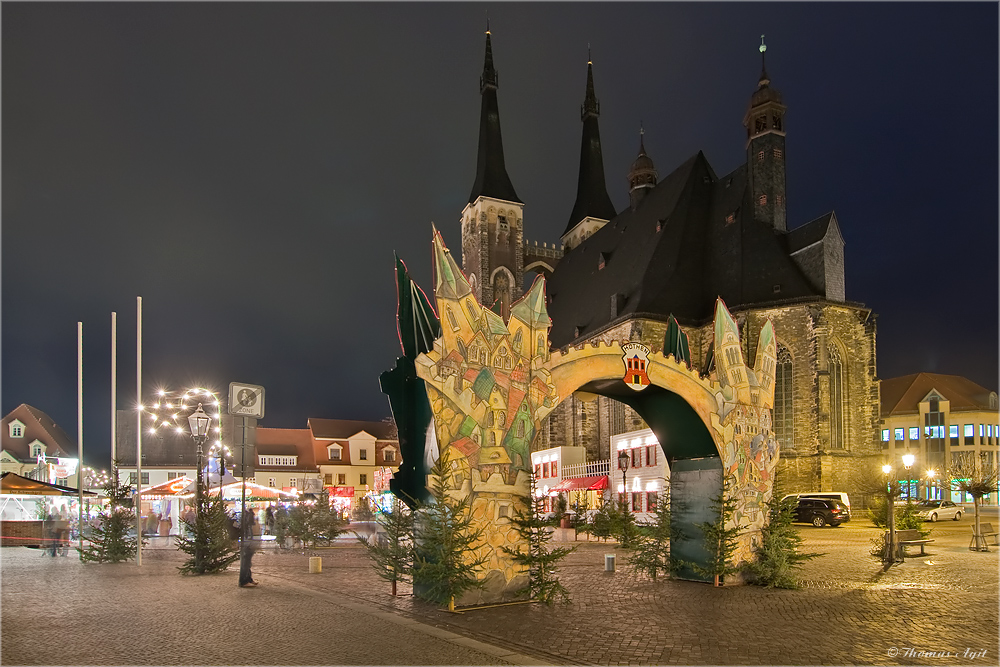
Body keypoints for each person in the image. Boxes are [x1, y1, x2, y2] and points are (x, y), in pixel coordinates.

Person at [239, 508, 258, 587]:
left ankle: (248, 578)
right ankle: (244, 580)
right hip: (245, 541)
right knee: (246, 561)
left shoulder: (244, 516)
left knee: (247, 561)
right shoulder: (243, 517)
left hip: (247, 540)